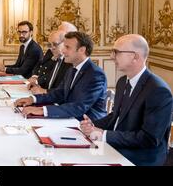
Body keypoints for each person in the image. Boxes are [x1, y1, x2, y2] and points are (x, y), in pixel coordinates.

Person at [80, 34, 173, 166]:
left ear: (135, 56)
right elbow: (117, 116)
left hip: (140, 157)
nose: (111, 57)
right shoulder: (122, 82)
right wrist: (94, 125)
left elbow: (149, 138)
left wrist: (105, 135)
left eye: (116, 52)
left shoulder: (158, 90)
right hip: (118, 147)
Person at [15, 32, 107, 121]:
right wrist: (33, 99)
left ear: (82, 50)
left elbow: (79, 107)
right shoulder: (72, 69)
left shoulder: (95, 74)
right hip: (69, 117)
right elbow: (60, 93)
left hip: (87, 125)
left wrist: (41, 110)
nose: (63, 50)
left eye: (67, 47)